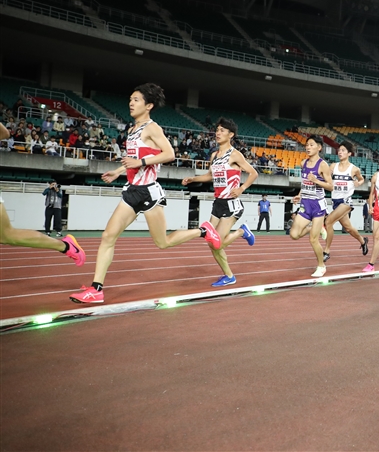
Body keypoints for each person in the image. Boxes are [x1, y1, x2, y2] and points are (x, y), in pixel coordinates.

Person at [70, 84, 221, 304]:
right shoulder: (132, 130)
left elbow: (169, 154)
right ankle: (97, 289)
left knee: (163, 243)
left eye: (136, 100)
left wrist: (139, 162)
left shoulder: (152, 128)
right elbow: (133, 162)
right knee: (107, 237)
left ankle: (202, 231)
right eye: (130, 99)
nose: (131, 103)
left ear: (148, 105)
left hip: (149, 192)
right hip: (132, 191)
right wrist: (119, 171)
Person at [181, 118, 257, 287]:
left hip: (231, 203)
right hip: (218, 203)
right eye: (217, 130)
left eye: (222, 130)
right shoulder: (215, 155)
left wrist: (242, 188)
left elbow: (253, 173)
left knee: (218, 243)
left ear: (231, 135)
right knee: (211, 241)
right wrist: (193, 178)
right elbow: (210, 176)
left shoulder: (235, 154)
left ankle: (241, 232)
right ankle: (229, 276)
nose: (218, 133)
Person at [0, 123, 85, 265]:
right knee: (6, 235)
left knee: (7, 234)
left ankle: (65, 246)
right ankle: (65, 246)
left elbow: (4, 133)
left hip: (55, 207)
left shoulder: (57, 188)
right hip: (49, 206)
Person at [289, 135, 333, 278]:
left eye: (312, 145)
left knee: (313, 240)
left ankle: (321, 266)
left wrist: (316, 181)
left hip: (318, 205)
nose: (308, 147)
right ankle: (314, 228)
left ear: (319, 147)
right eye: (307, 145)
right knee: (294, 235)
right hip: (305, 203)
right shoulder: (303, 163)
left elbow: (331, 187)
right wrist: (299, 194)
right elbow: (304, 183)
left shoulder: (322, 165)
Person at [322, 141, 369, 263]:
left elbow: (362, 179)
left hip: (346, 201)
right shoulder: (333, 166)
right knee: (348, 228)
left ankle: (326, 251)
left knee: (328, 222)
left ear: (349, 153)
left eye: (343, 150)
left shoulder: (354, 169)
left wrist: (358, 183)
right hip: (335, 201)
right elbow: (326, 177)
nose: (340, 152)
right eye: (339, 150)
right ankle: (363, 241)